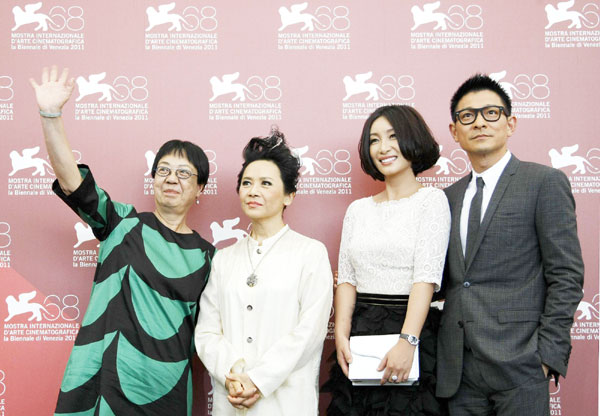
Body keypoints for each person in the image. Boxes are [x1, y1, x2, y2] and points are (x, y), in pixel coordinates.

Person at [30, 66, 215, 415]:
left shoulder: (209, 257)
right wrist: (50, 115)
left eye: (184, 173)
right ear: (154, 179)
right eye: (163, 170)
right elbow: (72, 181)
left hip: (166, 390)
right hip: (99, 384)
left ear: (200, 188)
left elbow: (216, 331)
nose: (171, 179)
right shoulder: (122, 222)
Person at [436, 74, 584, 416]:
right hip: (458, 369)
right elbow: (446, 280)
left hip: (521, 365)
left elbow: (566, 274)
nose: (480, 123)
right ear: (455, 131)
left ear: (510, 123)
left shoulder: (544, 182)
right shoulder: (448, 198)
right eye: (467, 116)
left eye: (491, 113)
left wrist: (547, 355)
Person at [194, 128, 333, 415]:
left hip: (286, 402)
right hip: (232, 399)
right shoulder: (224, 259)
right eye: (247, 183)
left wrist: (258, 380)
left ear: (289, 196)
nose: (253, 191)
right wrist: (235, 374)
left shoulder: (310, 253)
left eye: (266, 183)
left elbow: (310, 332)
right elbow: (206, 331)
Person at [325, 105, 451, 415]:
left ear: (412, 139)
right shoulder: (358, 210)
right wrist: (342, 334)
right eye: (374, 140)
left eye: (393, 137)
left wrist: (408, 341)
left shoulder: (431, 201)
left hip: (410, 325)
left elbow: (426, 278)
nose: (383, 148)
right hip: (361, 329)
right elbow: (347, 279)